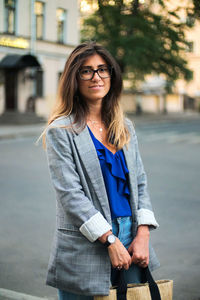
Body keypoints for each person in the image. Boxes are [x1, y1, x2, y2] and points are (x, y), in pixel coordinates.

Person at [41, 42, 160, 300]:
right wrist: (109, 239)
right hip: (87, 241)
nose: (96, 77)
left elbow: (140, 183)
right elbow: (70, 195)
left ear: (111, 76)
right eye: (86, 71)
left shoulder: (124, 126)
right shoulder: (61, 131)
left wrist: (143, 234)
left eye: (102, 69)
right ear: (74, 78)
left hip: (131, 238)